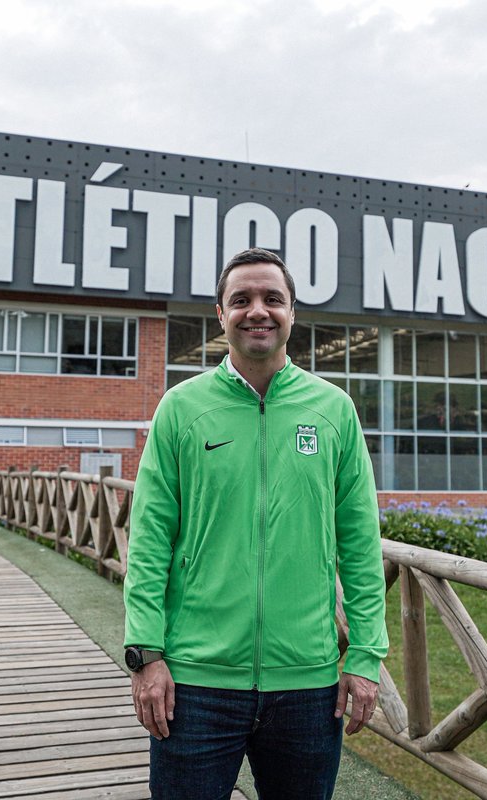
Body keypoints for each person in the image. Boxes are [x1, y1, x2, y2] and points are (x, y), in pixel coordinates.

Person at [123, 247, 389, 799]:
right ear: (220, 315)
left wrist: (364, 656)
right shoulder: (181, 408)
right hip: (194, 682)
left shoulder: (333, 411)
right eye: (240, 300)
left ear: (292, 312)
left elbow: (361, 545)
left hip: (309, 685)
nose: (257, 311)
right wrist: (146, 655)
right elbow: (149, 539)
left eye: (273, 299)